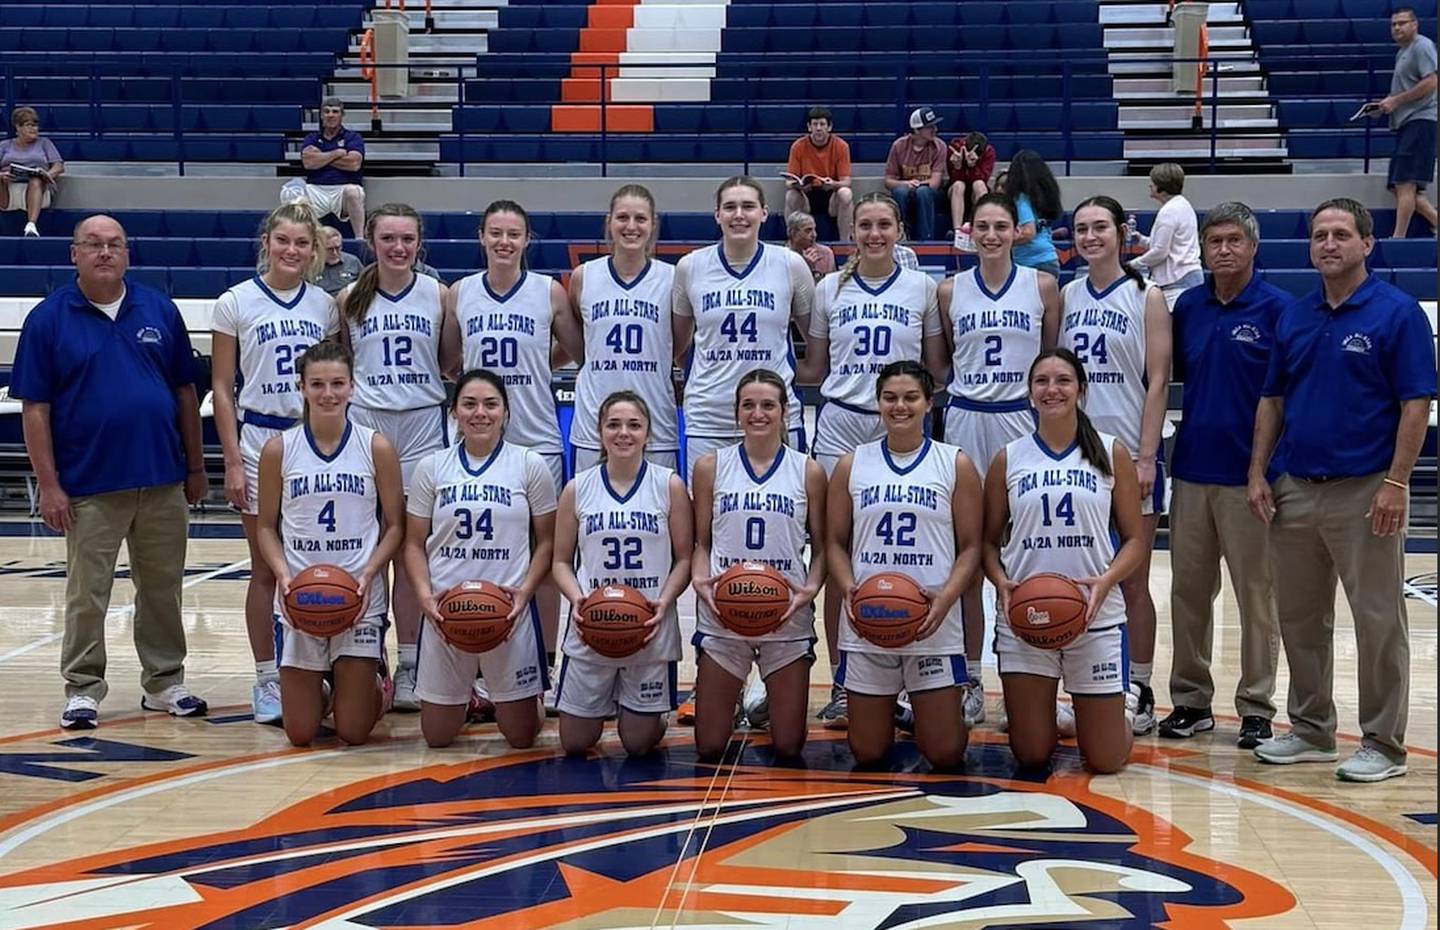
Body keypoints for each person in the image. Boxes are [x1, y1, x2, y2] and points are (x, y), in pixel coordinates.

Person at [1247, 198, 1435, 783]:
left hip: (1366, 491)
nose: (1329, 244)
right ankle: (1311, 729)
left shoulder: (1397, 313)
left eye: (1341, 234)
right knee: (1301, 619)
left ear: (1367, 244)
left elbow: (1415, 403)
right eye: (1320, 235)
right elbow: (1272, 400)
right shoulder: (1296, 317)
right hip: (1295, 488)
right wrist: (1258, 472)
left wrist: (1396, 482)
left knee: (1378, 621)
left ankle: (1383, 743)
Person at [13, 214, 208, 729]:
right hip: (89, 486)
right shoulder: (47, 319)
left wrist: (195, 467)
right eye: (93, 244)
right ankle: (82, 687)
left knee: (164, 588)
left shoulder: (159, 310)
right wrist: (49, 486)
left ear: (127, 254)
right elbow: (36, 409)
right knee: (86, 593)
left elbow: (186, 393)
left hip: (162, 479)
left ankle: (165, 681)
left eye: (114, 244)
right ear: (74, 254)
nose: (104, 252)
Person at [797, 192, 947, 730]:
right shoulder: (827, 288)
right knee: (841, 557)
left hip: (903, 417)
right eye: (865, 224)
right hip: (842, 420)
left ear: (900, 230)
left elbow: (935, 368)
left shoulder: (922, 288)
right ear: (852, 231)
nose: (874, 233)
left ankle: (915, 680)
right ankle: (844, 682)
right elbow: (813, 367)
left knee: (907, 551)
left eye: (884, 224)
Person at [1160, 202, 1288, 748]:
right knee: (1189, 593)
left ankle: (1257, 705)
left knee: (1256, 598)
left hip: (1251, 481)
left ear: (1253, 247)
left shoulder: (1280, 309)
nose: (1224, 250)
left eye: (1234, 240)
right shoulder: (1188, 306)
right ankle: (1191, 701)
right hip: (1190, 471)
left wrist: (1266, 470)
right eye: (1215, 242)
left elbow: (1283, 399)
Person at [983, 349, 1146, 773]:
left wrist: (1107, 580)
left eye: (1062, 380)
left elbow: (1133, 541)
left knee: (1107, 760)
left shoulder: (1112, 453)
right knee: (1032, 753)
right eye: (1041, 381)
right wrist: (1001, 583)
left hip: (1095, 615)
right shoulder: (1009, 457)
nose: (1051, 389)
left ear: (1081, 390)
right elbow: (987, 542)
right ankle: (1060, 712)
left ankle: (1116, 709)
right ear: (1029, 393)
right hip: (1026, 614)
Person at [211, 202, 338, 725]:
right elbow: (221, 388)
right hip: (261, 435)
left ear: (314, 252)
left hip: (315, 440)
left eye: (302, 244)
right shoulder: (234, 301)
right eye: (283, 240)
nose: (291, 250)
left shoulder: (325, 306)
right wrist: (233, 462)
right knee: (265, 569)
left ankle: (328, 666)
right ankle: (267, 676)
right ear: (267, 241)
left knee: (322, 559)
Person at [938, 192, 1062, 727]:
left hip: (1019, 417)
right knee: (966, 553)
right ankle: (968, 677)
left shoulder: (1042, 286)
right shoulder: (948, 291)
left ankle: (1029, 677)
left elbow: (1052, 357)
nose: (991, 235)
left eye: (1001, 226)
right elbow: (940, 362)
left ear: (1017, 232)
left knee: (1024, 555)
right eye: (982, 226)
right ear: (970, 232)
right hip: (965, 415)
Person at [826, 361, 982, 769]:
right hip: (870, 618)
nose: (900, 406)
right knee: (868, 751)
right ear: (878, 403)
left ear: (929, 403)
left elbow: (970, 548)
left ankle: (930, 707)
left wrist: (946, 598)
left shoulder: (954, 463)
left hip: (931, 620)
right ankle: (896, 707)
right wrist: (847, 589)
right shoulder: (852, 463)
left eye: (911, 397)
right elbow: (834, 543)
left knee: (946, 753)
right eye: (890, 398)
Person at [336, 203, 461, 712]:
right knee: (372, 542)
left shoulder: (438, 295)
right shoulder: (347, 299)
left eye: (407, 239)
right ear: (371, 240)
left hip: (421, 421)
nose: (398, 248)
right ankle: (370, 654)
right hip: (368, 422)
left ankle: (411, 662)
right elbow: (345, 361)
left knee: (414, 548)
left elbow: (450, 362)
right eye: (388, 238)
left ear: (419, 243)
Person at [1059, 195, 1172, 736]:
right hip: (1075, 455)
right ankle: (1080, 682)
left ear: (1122, 232)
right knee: (1074, 575)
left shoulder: (1147, 296)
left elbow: (1157, 381)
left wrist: (1147, 454)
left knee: (1132, 579)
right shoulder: (1067, 295)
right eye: (1081, 229)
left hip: (1128, 450)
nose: (1090, 237)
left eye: (1100, 226)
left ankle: (1140, 685)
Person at [452, 199, 580, 672]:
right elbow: (451, 361)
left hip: (537, 436)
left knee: (539, 555)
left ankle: (542, 661)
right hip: (476, 440)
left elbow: (576, 350)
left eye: (514, 234)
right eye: (496, 233)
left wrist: (534, 367)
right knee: (476, 546)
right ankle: (476, 649)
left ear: (527, 240)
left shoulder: (549, 292)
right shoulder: (460, 293)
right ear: (482, 238)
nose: (504, 242)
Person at [255, 341, 404, 747]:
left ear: (353, 388)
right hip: (302, 598)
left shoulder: (376, 447)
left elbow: (395, 525)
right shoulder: (278, 450)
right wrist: (284, 576)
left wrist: (371, 572)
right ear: (301, 387)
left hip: (358, 595)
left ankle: (374, 679)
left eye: (338, 383)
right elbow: (266, 527)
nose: (328, 393)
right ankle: (325, 685)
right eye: (317, 384)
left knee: (353, 732)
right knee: (300, 733)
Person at [403, 369, 556, 749]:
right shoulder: (432, 467)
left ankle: (511, 694)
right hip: (446, 611)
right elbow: (412, 543)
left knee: (522, 737)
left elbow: (547, 542)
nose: (480, 413)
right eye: (469, 404)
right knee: (437, 737)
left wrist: (524, 593)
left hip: (506, 611)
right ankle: (472, 695)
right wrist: (425, 596)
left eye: (490, 404)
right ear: (453, 411)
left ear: (505, 411)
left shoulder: (529, 464)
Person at [691, 371, 826, 761]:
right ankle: (741, 692)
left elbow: (821, 549)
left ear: (785, 412)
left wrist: (810, 590)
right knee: (710, 746)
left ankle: (764, 700)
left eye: (768, 405)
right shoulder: (710, 467)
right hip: (724, 610)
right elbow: (702, 544)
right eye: (748, 405)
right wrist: (701, 580)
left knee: (787, 745)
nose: (758, 413)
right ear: (736, 414)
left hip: (786, 611)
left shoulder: (808, 471)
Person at [552, 392, 693, 756]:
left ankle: (648, 710)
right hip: (592, 625)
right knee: (575, 743)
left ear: (648, 433)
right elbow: (560, 562)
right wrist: (577, 599)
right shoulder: (577, 488)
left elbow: (684, 558)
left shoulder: (669, 485)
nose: (623, 433)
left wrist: (665, 600)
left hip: (649, 627)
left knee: (639, 744)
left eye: (634, 425)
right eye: (613, 425)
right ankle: (610, 698)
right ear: (599, 433)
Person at [671, 176, 815, 483]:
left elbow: (815, 339)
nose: (739, 214)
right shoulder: (691, 266)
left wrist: (784, 373)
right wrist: (708, 370)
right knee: (707, 518)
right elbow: (678, 345)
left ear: (763, 213)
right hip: (709, 415)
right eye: (730, 207)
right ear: (717, 214)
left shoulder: (790, 265)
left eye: (748, 206)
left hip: (774, 413)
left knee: (782, 513)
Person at [568, 184, 679, 475]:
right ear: (609, 222)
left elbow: (678, 344)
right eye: (623, 218)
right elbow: (582, 343)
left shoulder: (672, 279)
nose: (631, 227)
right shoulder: (584, 277)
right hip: (594, 422)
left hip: (655, 420)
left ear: (653, 224)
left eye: (640, 219)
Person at [1373, 7, 1438, 237]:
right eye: (1394, 24)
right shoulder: (1402, 52)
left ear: (1415, 24)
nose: (1397, 28)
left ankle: (1398, 237)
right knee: (1400, 185)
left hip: (1421, 121)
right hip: (1407, 122)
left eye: (1402, 23)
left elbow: (1431, 82)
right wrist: (1387, 106)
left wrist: (1396, 101)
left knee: (1405, 183)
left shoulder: (1422, 46)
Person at [1128, 163, 1203, 310]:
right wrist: (1142, 240)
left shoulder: (1169, 212)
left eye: (1153, 182)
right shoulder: (1183, 205)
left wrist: (1131, 265)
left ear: (1161, 186)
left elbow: (1161, 252)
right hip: (1186, 278)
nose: (1150, 185)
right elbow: (1170, 245)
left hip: (1178, 282)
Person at [296, 97, 366, 240]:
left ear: (342, 115)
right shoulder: (312, 138)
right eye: (326, 112)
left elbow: (353, 164)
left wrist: (321, 157)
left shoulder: (353, 137)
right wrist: (337, 153)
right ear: (321, 115)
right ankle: (301, 240)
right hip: (315, 189)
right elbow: (308, 162)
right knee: (293, 195)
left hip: (343, 190)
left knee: (353, 192)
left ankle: (359, 240)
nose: (331, 115)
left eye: (335, 112)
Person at [783, 106, 855, 241]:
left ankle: (845, 242)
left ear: (829, 127)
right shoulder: (798, 146)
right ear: (809, 127)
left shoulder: (841, 146)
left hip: (830, 195)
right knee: (791, 196)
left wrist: (833, 184)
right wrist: (798, 186)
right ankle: (793, 240)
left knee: (846, 194)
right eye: (815, 124)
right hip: (806, 195)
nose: (818, 128)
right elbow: (788, 181)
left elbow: (846, 181)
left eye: (822, 124)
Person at [884, 107, 946, 243]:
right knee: (899, 192)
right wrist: (905, 184)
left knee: (923, 192)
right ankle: (901, 237)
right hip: (906, 191)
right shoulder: (899, 146)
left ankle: (927, 240)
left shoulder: (940, 146)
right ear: (917, 130)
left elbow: (935, 183)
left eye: (935, 125)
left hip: (929, 193)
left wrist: (917, 185)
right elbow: (888, 181)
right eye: (930, 127)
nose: (935, 129)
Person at [0, 106, 64, 237]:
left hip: (38, 185)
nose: (34, 129)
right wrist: (1, 175)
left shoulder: (44, 143)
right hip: (8, 185)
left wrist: (47, 174)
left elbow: (59, 166)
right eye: (29, 125)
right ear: (18, 127)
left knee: (35, 180)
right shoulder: (4, 145)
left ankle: (31, 225)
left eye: (35, 125)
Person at [1005, 150, 1063, 279]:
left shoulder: (1021, 199)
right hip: (1049, 258)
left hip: (1030, 262)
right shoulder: (1043, 197)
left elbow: (1028, 233)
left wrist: (1002, 240)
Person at [946, 130, 996, 252]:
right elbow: (953, 178)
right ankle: (957, 230)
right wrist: (957, 166)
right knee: (959, 185)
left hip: (976, 187)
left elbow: (983, 178)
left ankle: (981, 225)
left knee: (979, 185)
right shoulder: (955, 148)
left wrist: (973, 166)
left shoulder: (989, 152)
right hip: (956, 188)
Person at [786, 211, 836, 281]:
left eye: (814, 229)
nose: (814, 235)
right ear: (793, 234)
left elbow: (831, 286)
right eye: (808, 231)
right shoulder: (783, 257)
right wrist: (805, 265)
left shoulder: (826, 254)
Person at [316, 227, 363, 295]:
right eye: (330, 249)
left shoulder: (353, 261)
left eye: (338, 248)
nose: (335, 253)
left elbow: (366, 285)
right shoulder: (310, 265)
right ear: (319, 248)